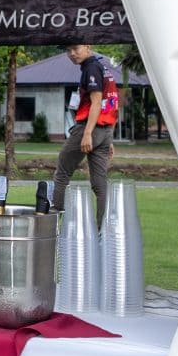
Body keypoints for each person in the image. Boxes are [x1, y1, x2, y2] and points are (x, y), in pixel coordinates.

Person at [51, 43, 120, 223]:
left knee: (62, 174)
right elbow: (112, 103)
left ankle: (54, 225)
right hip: (105, 131)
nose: (72, 53)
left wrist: (88, 133)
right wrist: (109, 138)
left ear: (88, 47)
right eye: (68, 50)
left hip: (89, 128)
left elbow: (96, 102)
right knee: (99, 183)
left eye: (76, 48)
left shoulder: (91, 68)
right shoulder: (104, 68)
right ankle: (103, 229)